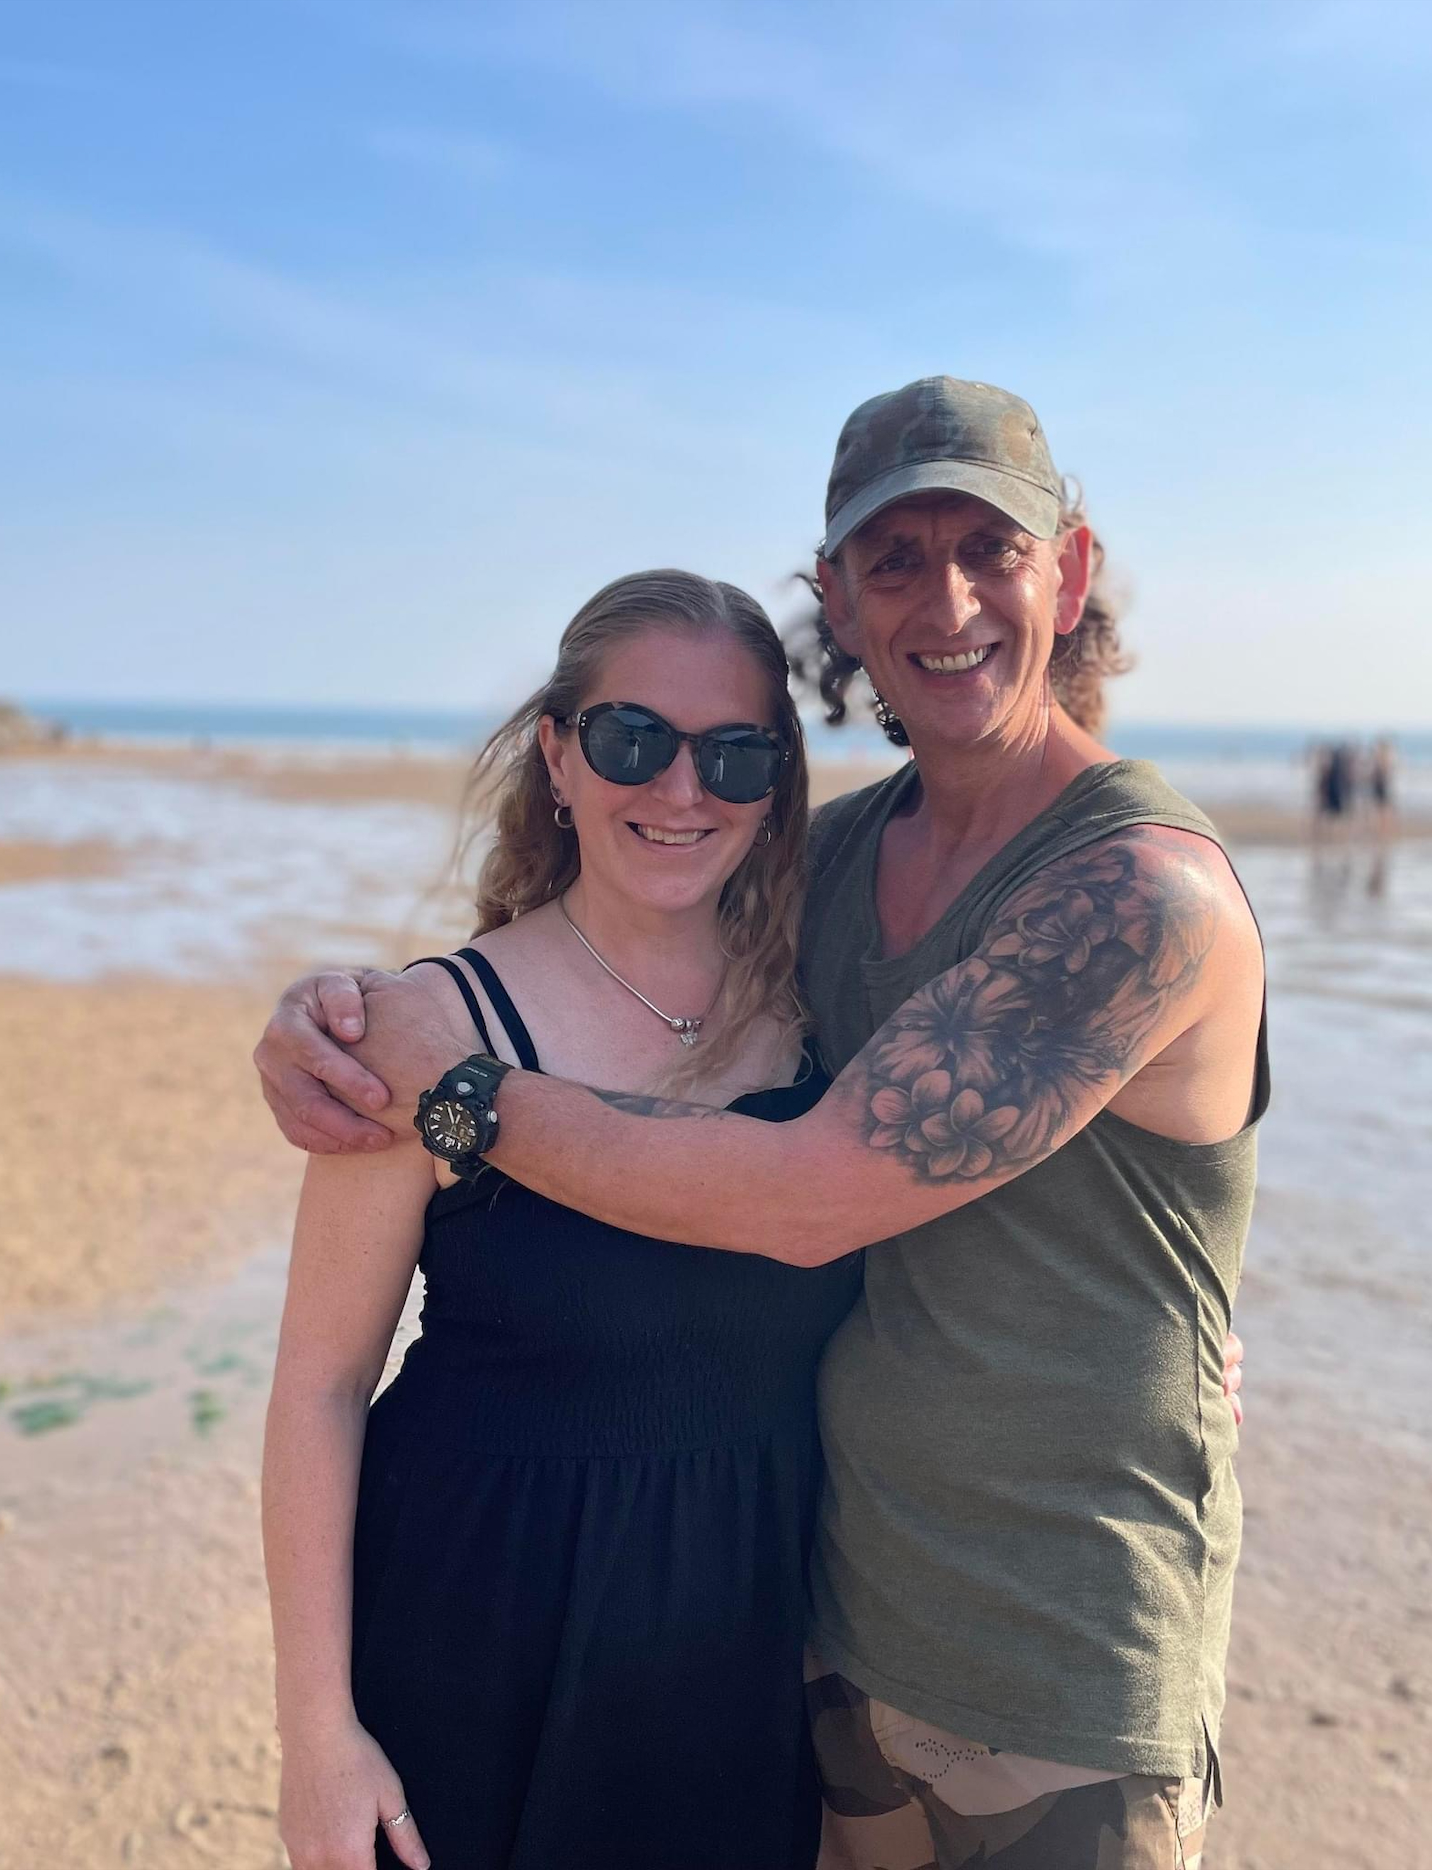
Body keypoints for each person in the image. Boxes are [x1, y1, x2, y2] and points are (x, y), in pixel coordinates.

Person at [258, 377, 1266, 1869]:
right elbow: (327, 1368)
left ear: (1070, 569)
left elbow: (806, 1195)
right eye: (893, 559)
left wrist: (454, 1094)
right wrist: (322, 1031)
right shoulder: (832, 877)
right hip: (816, 1643)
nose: (948, 598)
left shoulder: (1135, 892)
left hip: (1058, 1668)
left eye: (990, 547)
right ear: (836, 607)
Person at [260, 571, 863, 1869]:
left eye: (735, 753)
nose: (681, 790)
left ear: (779, 781)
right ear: (557, 752)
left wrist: (1155, 1350)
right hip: (473, 1645)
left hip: (738, 1660)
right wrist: (317, 1734)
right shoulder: (427, 1030)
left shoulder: (827, 1014)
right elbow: (317, 1385)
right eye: (633, 738)